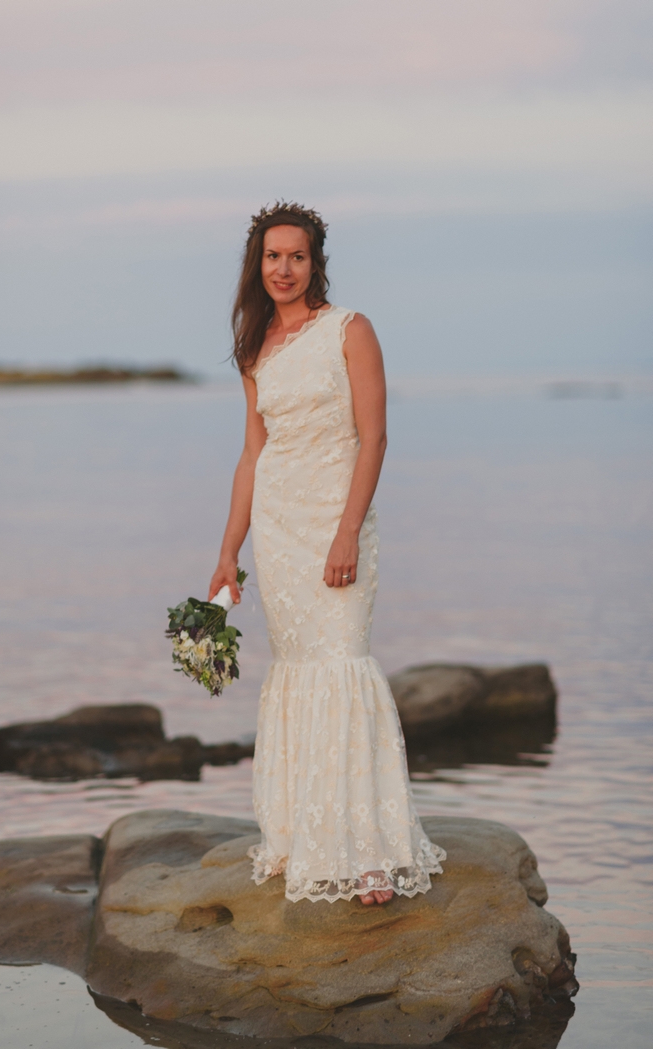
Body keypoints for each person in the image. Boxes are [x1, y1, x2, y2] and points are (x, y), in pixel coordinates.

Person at [209, 202, 445, 905]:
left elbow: (373, 439)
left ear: (316, 263)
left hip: (336, 522)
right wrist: (229, 552)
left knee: (342, 663)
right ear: (259, 265)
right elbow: (253, 454)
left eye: (297, 256)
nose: (284, 269)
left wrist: (348, 529)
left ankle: (370, 852)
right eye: (272, 257)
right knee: (299, 671)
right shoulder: (255, 348)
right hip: (279, 531)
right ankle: (302, 834)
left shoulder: (350, 330)